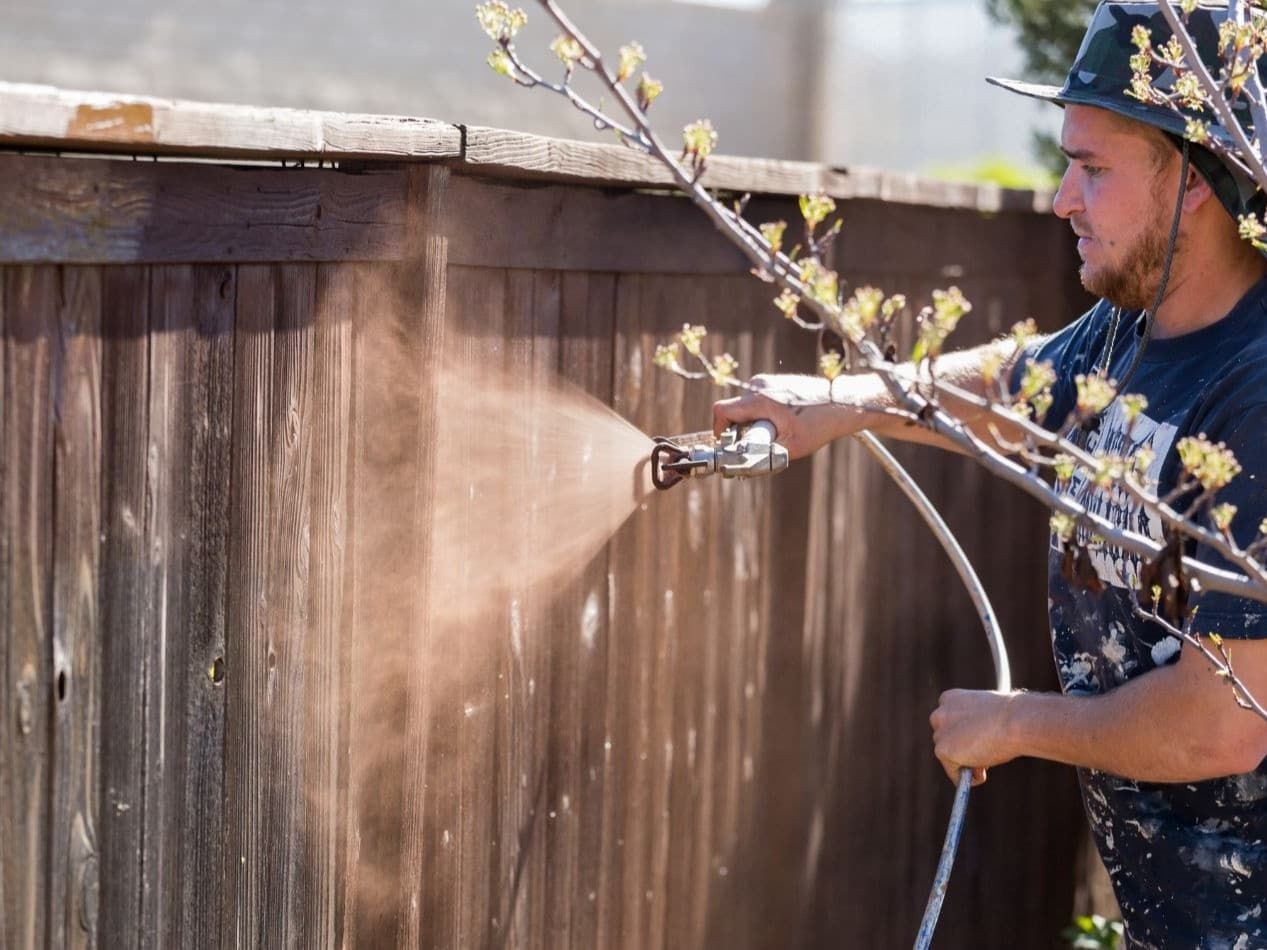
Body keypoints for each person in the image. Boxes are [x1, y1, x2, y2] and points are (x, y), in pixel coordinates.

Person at [713, 3, 1267, 946]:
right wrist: (838, 402)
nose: (1061, 198)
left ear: (1192, 185)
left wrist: (1015, 724)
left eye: (1093, 170)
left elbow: (1223, 724)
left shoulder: (1253, 399)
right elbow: (1017, 386)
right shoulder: (1134, 327)